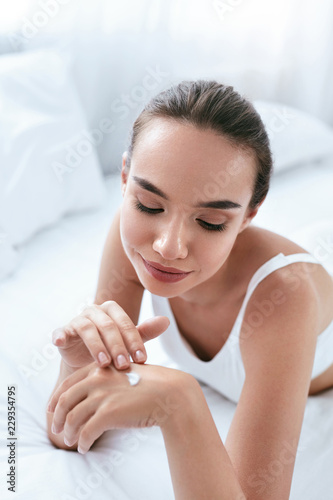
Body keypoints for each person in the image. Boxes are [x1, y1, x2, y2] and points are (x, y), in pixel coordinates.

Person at [46, 80, 333, 499]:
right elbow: (71, 437)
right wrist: (77, 366)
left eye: (210, 222)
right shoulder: (131, 243)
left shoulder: (284, 298)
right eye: (149, 205)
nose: (168, 247)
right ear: (124, 179)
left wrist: (180, 403)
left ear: (250, 213)